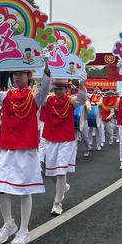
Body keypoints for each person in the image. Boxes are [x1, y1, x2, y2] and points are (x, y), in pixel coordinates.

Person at [0, 63, 51, 244]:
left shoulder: (35, 96)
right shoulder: (5, 96)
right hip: (8, 148)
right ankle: (9, 224)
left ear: (29, 76)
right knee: (1, 187)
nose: (17, 77)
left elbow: (46, 85)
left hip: (26, 150)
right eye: (15, 73)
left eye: (21, 74)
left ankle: (24, 230)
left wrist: (47, 65)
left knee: (24, 190)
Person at [40, 80, 86, 215]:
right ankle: (63, 187)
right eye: (56, 89)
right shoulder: (47, 101)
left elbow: (82, 99)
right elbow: (40, 95)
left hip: (66, 140)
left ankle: (57, 202)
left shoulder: (71, 101)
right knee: (50, 171)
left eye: (61, 89)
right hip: (51, 138)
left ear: (66, 89)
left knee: (60, 171)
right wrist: (46, 79)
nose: (58, 91)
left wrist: (81, 84)